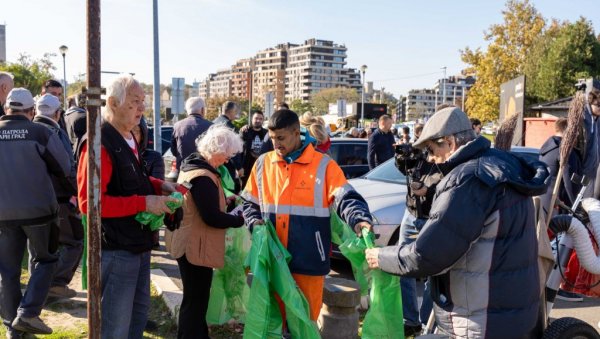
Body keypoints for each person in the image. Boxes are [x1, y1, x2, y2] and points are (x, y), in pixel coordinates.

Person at [365, 107, 549, 338]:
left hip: (480, 320)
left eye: (432, 150)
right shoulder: (500, 164)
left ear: (450, 143)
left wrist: (380, 257)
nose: (431, 159)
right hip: (514, 314)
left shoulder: (468, 180)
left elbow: (426, 255)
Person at [242, 109, 373, 322]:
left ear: (296, 133)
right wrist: (253, 221)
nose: (276, 144)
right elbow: (249, 202)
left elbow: (345, 197)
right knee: (273, 323)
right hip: (272, 259)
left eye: (281, 138)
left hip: (309, 260)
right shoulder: (263, 164)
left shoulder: (323, 165)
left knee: (305, 323)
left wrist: (359, 219)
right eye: (272, 138)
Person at [77, 76, 179, 339]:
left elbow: (131, 180)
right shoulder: (100, 142)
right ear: (112, 103)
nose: (142, 109)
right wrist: (145, 202)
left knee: (137, 316)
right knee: (115, 326)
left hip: (136, 244)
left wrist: (159, 186)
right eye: (135, 102)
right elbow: (90, 204)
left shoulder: (127, 137)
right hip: (116, 249)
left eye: (143, 102)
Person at [0, 88, 70, 337]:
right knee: (46, 260)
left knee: (7, 272)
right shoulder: (40, 131)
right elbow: (65, 167)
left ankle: (12, 329)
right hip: (40, 213)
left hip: (3, 215)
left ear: (7, 109)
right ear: (31, 112)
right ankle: (28, 313)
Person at [165, 124, 245, 339]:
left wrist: (224, 202)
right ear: (215, 149)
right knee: (196, 300)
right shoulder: (204, 176)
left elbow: (201, 206)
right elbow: (211, 217)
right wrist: (239, 220)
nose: (228, 160)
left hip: (188, 242)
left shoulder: (191, 166)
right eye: (227, 155)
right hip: (195, 247)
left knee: (194, 299)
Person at [394, 133, 445, 335]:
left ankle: (426, 323)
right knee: (403, 267)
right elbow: (404, 169)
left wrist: (428, 191)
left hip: (432, 218)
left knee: (431, 271)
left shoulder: (447, 155)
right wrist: (401, 155)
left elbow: (449, 185)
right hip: (411, 213)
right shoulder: (420, 154)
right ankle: (410, 320)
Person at [32, 94, 83, 300]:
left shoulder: (28, 130)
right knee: (75, 241)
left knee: (38, 250)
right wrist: (77, 194)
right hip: (60, 199)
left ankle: (37, 293)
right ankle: (56, 284)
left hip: (32, 201)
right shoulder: (54, 133)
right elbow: (66, 168)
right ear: (57, 113)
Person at [171, 96, 213, 171]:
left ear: (187, 111)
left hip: (183, 170)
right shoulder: (211, 126)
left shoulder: (177, 126)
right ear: (202, 110)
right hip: (205, 170)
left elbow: (174, 150)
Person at [213, 101, 243, 192]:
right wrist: (239, 167)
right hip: (227, 165)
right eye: (235, 112)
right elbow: (233, 149)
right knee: (228, 192)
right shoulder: (229, 126)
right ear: (231, 111)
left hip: (214, 163)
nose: (235, 115)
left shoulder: (213, 122)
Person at [239, 110, 267, 186]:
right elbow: (239, 150)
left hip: (262, 166)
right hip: (247, 166)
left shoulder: (266, 133)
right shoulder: (245, 131)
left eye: (260, 119)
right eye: (256, 118)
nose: (258, 120)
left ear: (263, 121)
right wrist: (239, 166)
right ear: (252, 119)